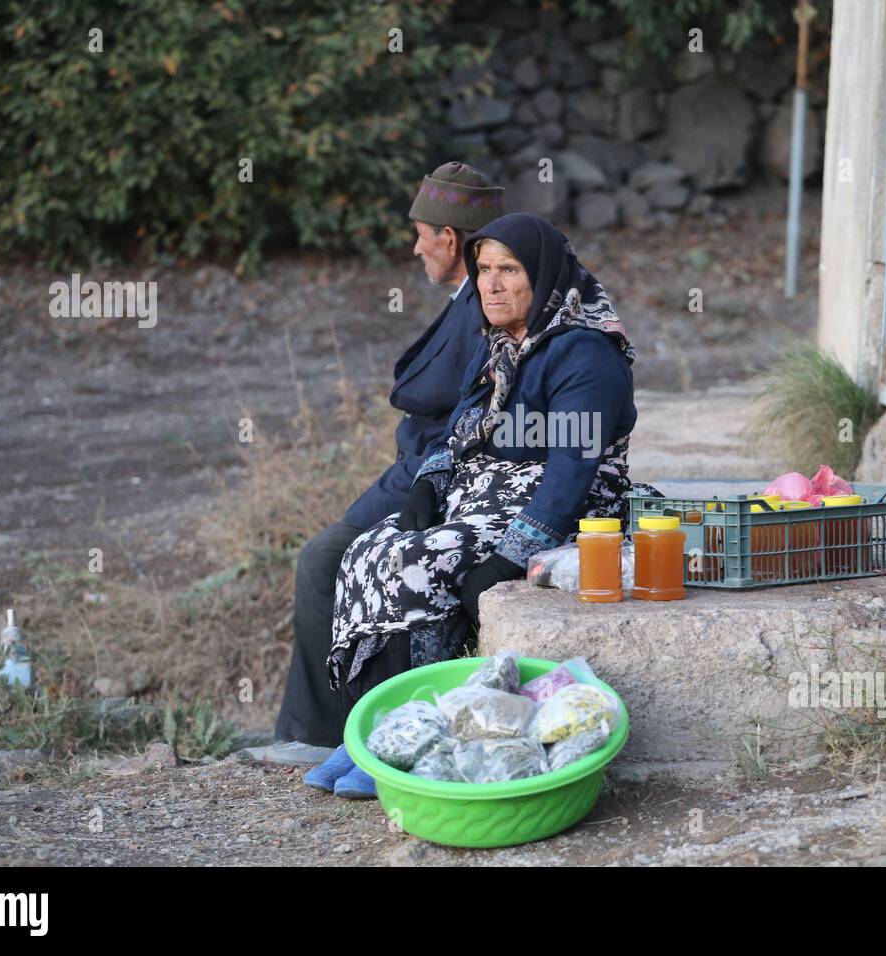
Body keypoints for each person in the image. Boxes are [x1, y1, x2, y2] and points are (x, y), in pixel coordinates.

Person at [307, 212, 639, 798]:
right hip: (481, 499)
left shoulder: (584, 356)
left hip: (562, 508)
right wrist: (428, 484)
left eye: (508, 270)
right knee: (365, 553)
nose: (490, 284)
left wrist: (510, 559)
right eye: (484, 269)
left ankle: (415, 740)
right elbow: (460, 430)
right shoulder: (502, 347)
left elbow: (570, 473)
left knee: (415, 566)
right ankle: (372, 733)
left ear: (543, 276)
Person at [242, 163, 505, 771]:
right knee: (329, 554)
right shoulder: (470, 298)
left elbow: (470, 417)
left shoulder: (484, 307)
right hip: (416, 471)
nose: (414, 247)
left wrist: (428, 484)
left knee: (323, 558)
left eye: (421, 233)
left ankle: (318, 735)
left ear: (451, 238)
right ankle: (326, 729)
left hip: (435, 481)